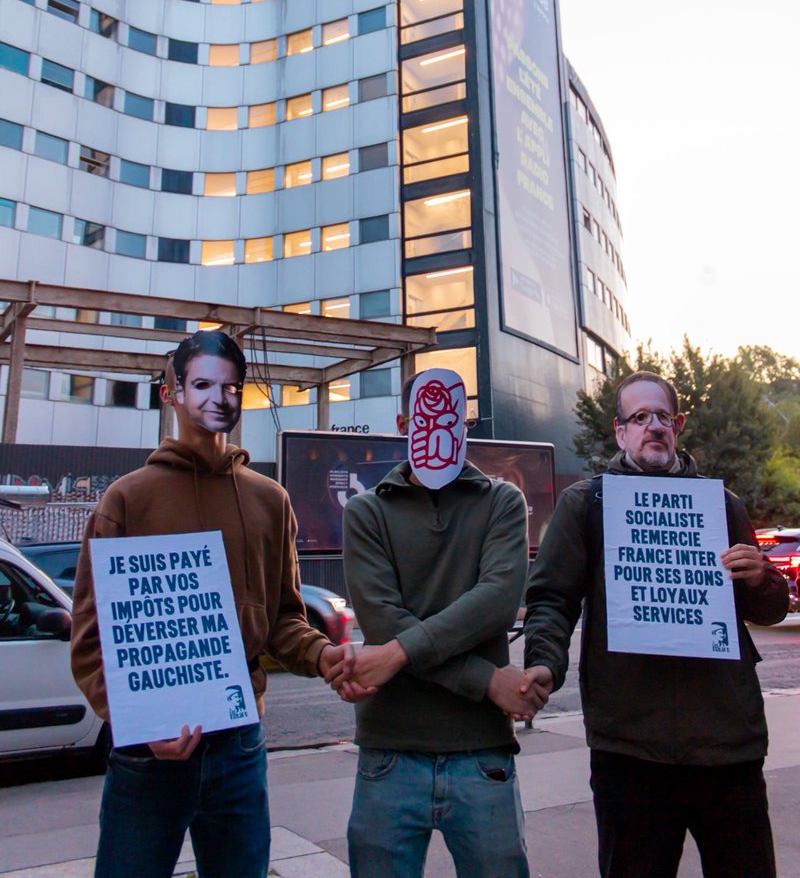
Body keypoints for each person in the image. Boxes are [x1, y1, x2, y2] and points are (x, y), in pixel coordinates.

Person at [71, 330, 346, 878]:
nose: (217, 398)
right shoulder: (126, 499)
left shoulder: (271, 500)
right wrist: (137, 720)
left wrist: (322, 656)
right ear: (170, 391)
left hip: (239, 747)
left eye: (231, 387)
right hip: (149, 753)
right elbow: (90, 640)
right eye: (200, 384)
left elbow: (284, 619)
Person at [522, 371, 789, 878]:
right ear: (620, 431)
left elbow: (769, 610)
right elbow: (552, 599)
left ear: (679, 425)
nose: (654, 427)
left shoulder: (721, 505)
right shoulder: (588, 504)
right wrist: (543, 664)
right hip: (632, 749)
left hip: (727, 745)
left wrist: (761, 578)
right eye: (640, 417)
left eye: (663, 416)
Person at [329, 369, 533, 878]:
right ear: (403, 423)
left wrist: (396, 654)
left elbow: (497, 600)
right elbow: (380, 617)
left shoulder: (501, 501)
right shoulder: (366, 511)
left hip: (480, 753)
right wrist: (485, 680)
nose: (442, 427)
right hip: (390, 754)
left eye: (453, 418)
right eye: (427, 416)